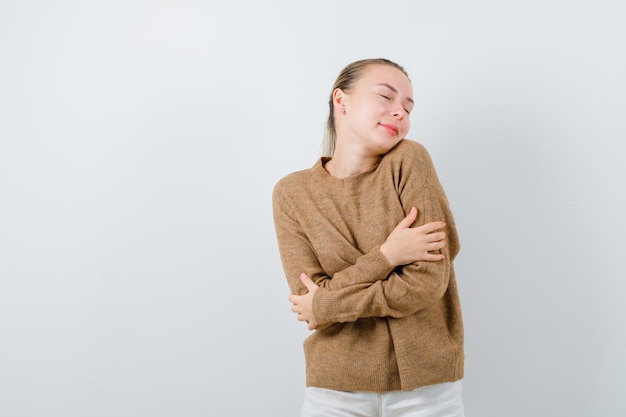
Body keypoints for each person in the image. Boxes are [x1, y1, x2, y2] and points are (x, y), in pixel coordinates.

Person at [272, 58, 465, 417]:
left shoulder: (410, 161)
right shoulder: (292, 193)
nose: (399, 113)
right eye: (386, 97)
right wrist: (388, 256)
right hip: (334, 387)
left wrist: (328, 305)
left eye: (408, 107)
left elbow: (426, 282)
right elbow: (306, 295)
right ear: (341, 101)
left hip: (425, 387)